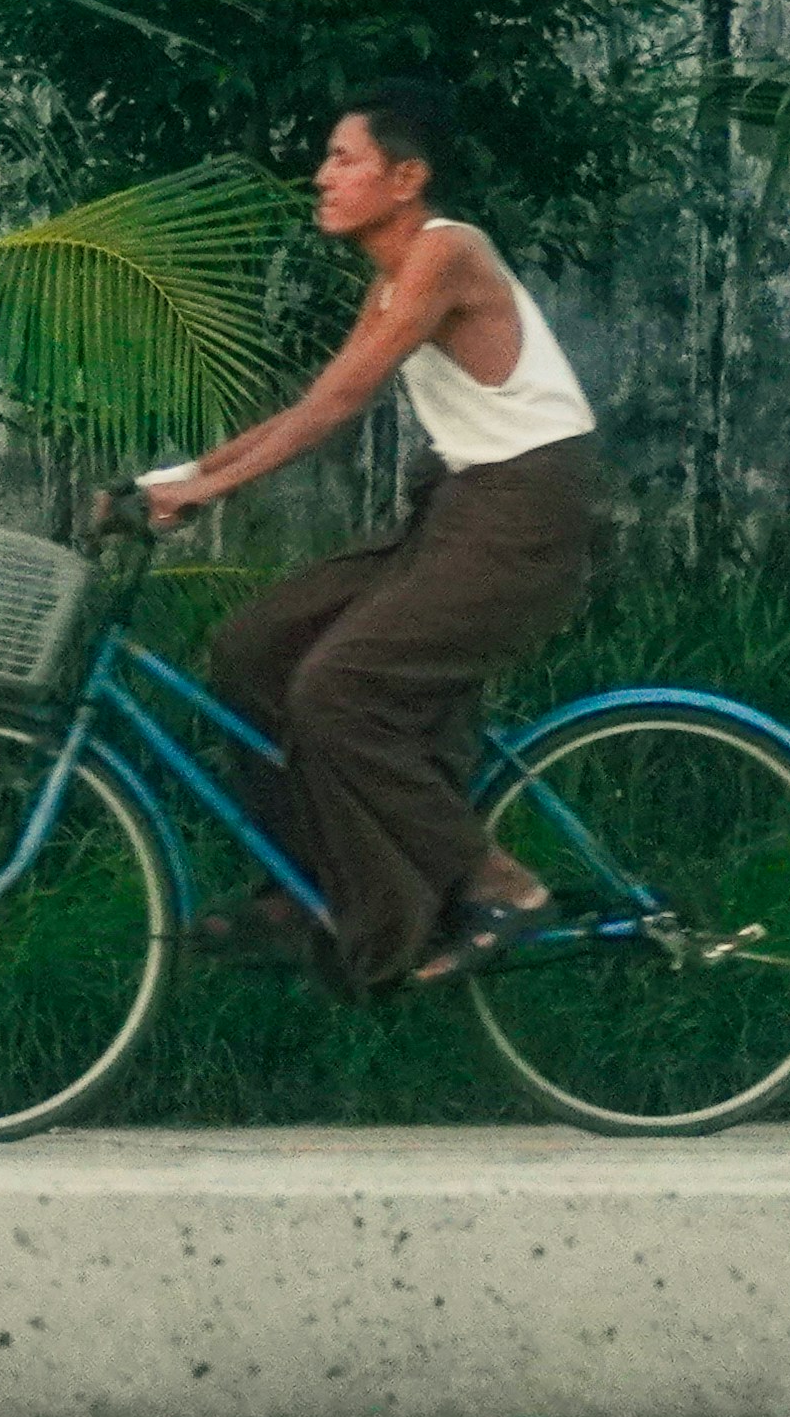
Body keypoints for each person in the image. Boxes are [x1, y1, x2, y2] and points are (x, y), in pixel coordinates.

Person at [139, 78, 600, 992]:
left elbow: (344, 405)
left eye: (342, 159)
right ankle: (305, 884)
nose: (321, 177)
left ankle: (498, 883)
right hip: (463, 508)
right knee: (249, 649)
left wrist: (208, 492)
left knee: (338, 690)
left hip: (525, 512)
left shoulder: (444, 254)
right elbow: (317, 400)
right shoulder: (394, 277)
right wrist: (183, 476)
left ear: (405, 178)